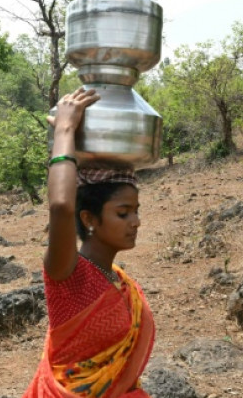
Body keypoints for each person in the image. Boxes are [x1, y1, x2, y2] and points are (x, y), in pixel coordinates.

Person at [24, 87, 156, 398]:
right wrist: (66, 129)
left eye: (136, 211)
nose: (135, 221)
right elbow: (60, 206)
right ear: (89, 219)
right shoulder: (68, 275)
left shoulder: (122, 283)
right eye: (123, 213)